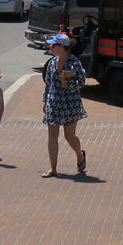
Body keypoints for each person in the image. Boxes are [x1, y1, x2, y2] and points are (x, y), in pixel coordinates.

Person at [41, 33, 87, 177]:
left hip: (70, 105)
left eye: (53, 45)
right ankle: (53, 169)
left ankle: (79, 155)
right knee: (52, 135)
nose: (51, 47)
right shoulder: (52, 62)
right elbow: (48, 83)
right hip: (53, 103)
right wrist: (45, 101)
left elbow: (82, 82)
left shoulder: (74, 63)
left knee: (69, 136)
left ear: (61, 46)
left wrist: (67, 83)